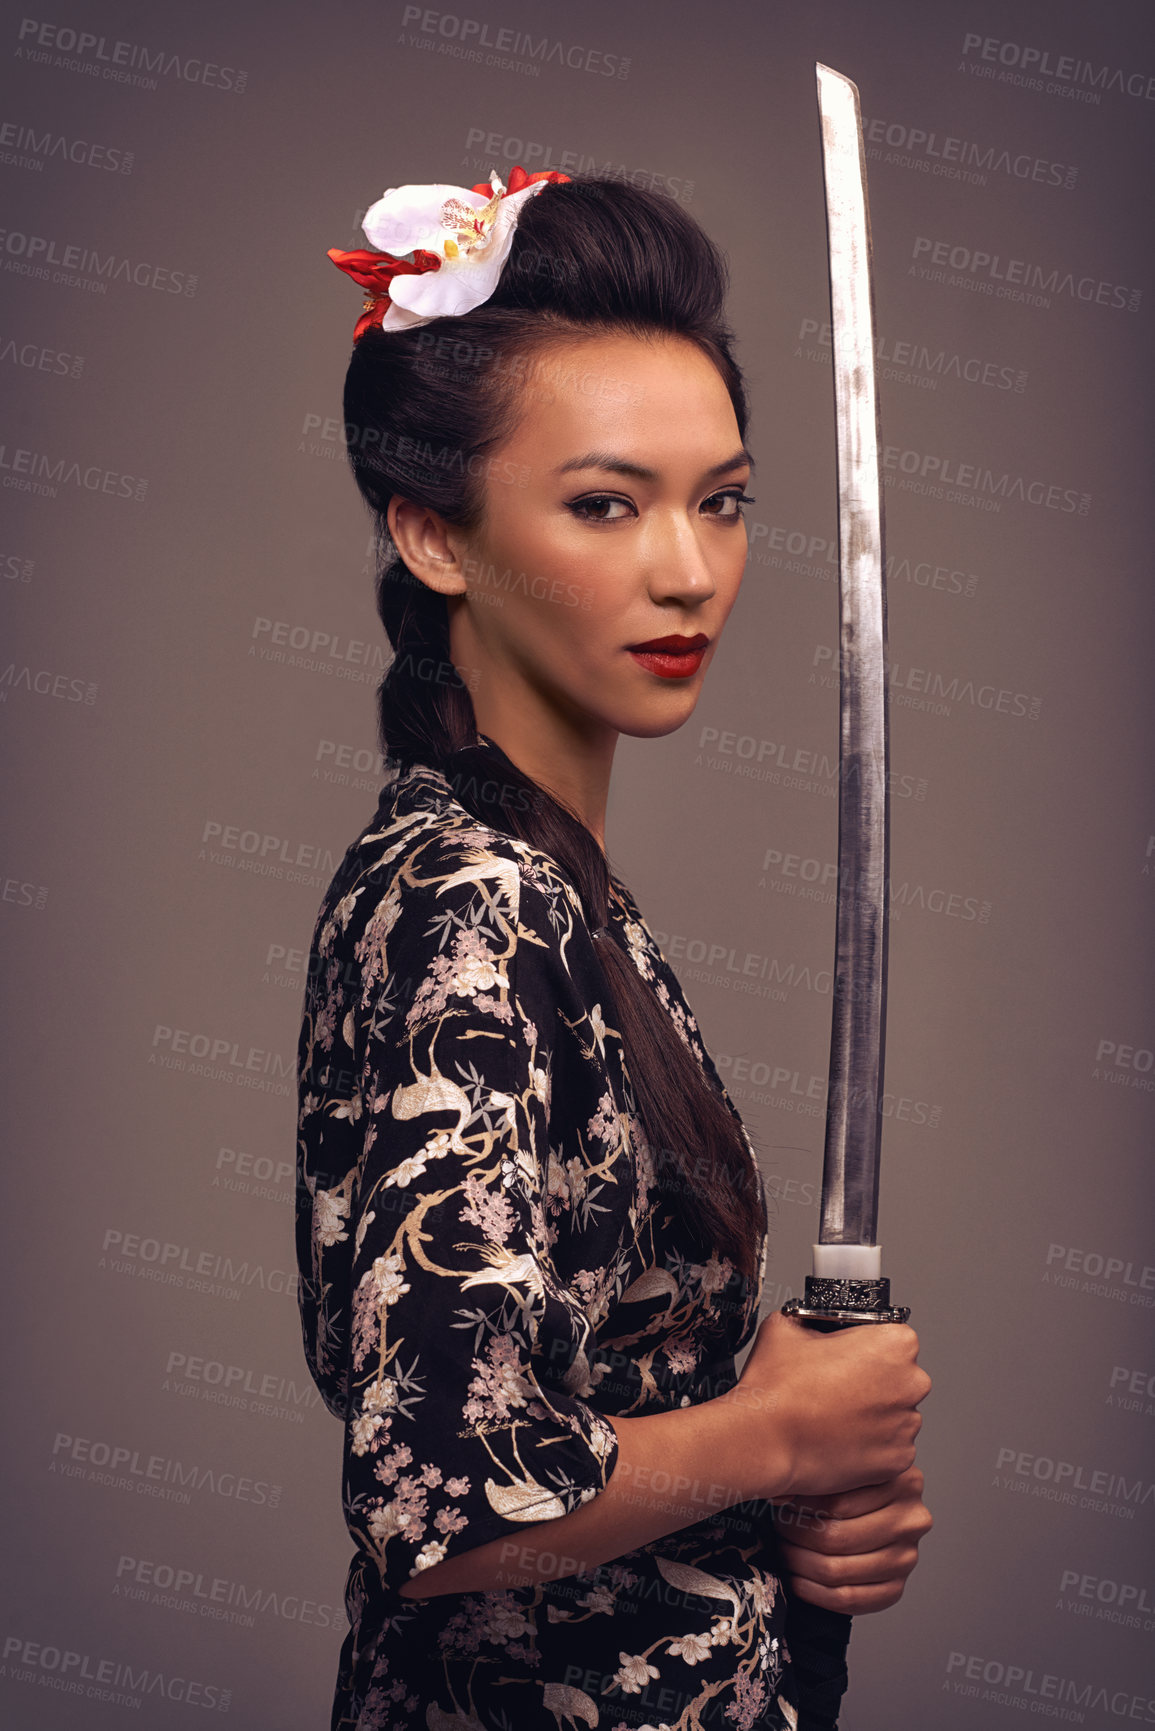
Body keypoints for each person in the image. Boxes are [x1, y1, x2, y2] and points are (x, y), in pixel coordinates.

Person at [295, 166, 932, 1731]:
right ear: (433, 535)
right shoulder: (471, 898)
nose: (688, 570)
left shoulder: (547, 882)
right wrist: (780, 1439)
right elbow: (440, 1487)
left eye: (719, 500)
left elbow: (606, 1418)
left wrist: (786, 1514)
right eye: (605, 503)